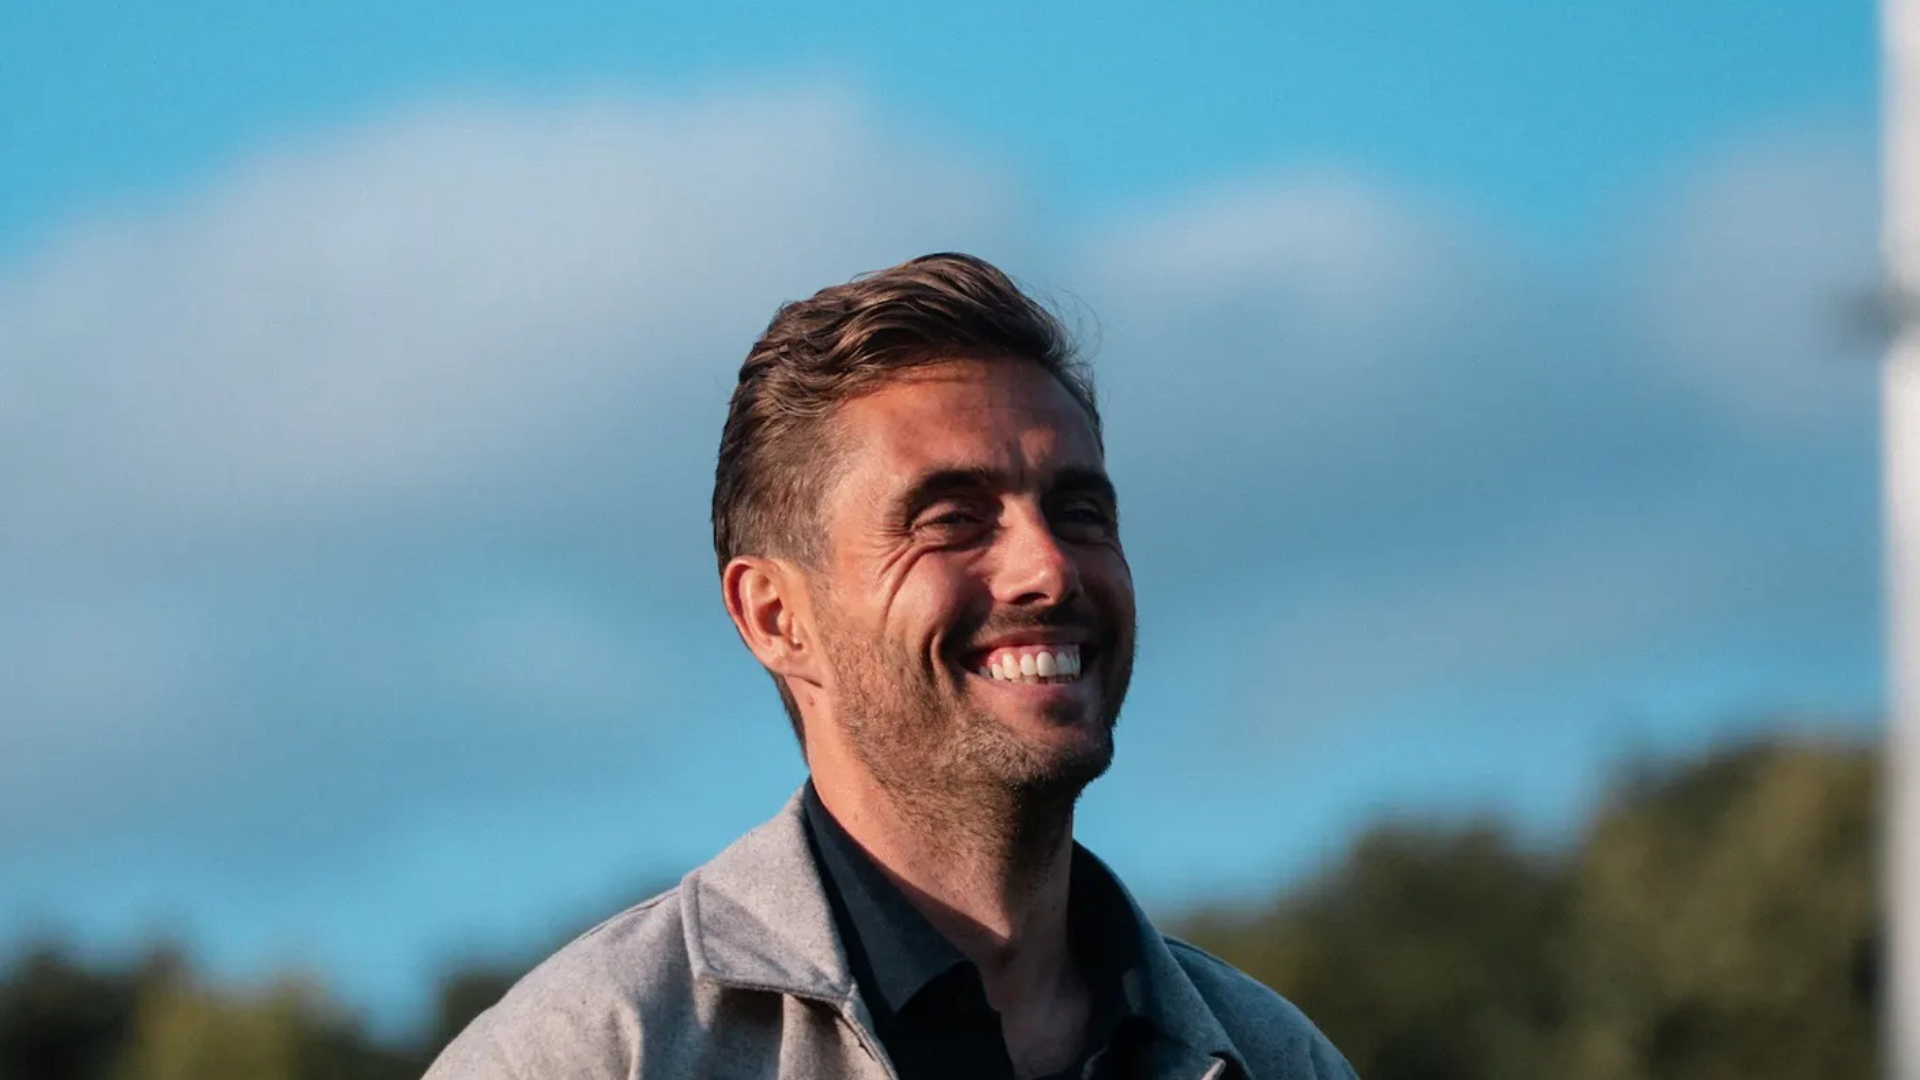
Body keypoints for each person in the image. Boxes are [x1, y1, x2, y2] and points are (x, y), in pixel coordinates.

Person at [423, 254, 1358, 1080]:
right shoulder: (597, 1051)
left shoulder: (1274, 1059)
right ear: (776, 617)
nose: (1048, 568)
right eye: (952, 520)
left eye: (1079, 512)